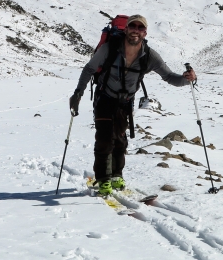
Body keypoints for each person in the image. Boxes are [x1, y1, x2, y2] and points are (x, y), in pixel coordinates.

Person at [69, 14, 196, 195]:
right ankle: (103, 180)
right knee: (105, 139)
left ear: (144, 33)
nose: (136, 30)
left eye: (140, 28)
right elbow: (89, 69)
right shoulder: (109, 48)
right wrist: (78, 93)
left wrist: (187, 79)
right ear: (126, 29)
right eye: (132, 26)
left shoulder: (149, 56)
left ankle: (116, 175)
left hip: (125, 102)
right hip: (104, 97)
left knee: (120, 140)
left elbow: (169, 77)